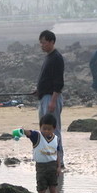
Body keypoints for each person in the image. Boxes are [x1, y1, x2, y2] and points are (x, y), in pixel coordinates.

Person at [35, 30, 65, 165]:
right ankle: (49, 157)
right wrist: (38, 90)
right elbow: (47, 79)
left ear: (52, 42)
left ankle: (58, 160)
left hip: (51, 99)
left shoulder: (56, 58)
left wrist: (53, 101)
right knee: (44, 129)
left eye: (44, 43)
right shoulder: (48, 57)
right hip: (44, 97)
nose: (42, 45)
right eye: (41, 43)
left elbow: (58, 82)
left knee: (53, 129)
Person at [16, 113, 62, 193]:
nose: (46, 131)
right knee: (41, 190)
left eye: (49, 129)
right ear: (40, 127)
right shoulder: (37, 136)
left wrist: (59, 167)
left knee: (53, 189)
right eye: (44, 129)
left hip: (53, 166)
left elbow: (57, 154)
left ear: (54, 129)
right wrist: (22, 130)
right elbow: (29, 133)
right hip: (41, 167)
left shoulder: (56, 139)